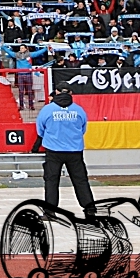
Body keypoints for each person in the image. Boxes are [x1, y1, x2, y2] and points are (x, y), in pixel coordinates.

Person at [32, 82, 95, 216]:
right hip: (75, 150)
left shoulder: (47, 110)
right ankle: (89, 209)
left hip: (53, 150)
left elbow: (40, 130)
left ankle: (50, 211)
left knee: (51, 181)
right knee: (81, 181)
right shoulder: (79, 110)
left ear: (56, 92)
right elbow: (83, 129)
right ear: (71, 93)